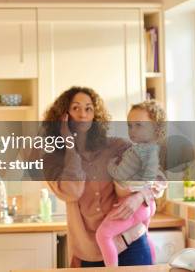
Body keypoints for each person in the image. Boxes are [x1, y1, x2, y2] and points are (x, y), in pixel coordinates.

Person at [42, 86, 165, 267]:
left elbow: (159, 177)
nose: (83, 114)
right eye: (75, 108)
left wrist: (140, 196)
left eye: (88, 108)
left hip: (131, 243)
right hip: (90, 252)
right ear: (62, 115)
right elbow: (72, 192)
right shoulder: (52, 159)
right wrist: (69, 146)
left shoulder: (116, 146)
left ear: (95, 115)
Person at [96, 100, 166, 266]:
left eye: (139, 125)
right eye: (130, 125)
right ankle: (153, 263)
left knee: (103, 235)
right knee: (146, 233)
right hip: (144, 208)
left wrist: (113, 169)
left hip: (138, 207)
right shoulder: (146, 148)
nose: (132, 130)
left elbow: (156, 180)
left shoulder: (140, 150)